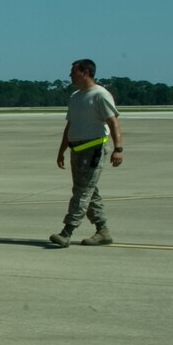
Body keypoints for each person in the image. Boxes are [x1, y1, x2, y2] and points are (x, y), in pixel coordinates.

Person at [50, 57, 125, 247]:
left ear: (85, 72)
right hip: (77, 150)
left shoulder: (100, 95)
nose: (70, 76)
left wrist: (118, 149)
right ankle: (103, 231)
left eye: (73, 72)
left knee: (82, 192)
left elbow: (113, 122)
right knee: (89, 192)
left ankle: (67, 232)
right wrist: (62, 150)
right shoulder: (75, 97)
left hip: (94, 150)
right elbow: (70, 125)